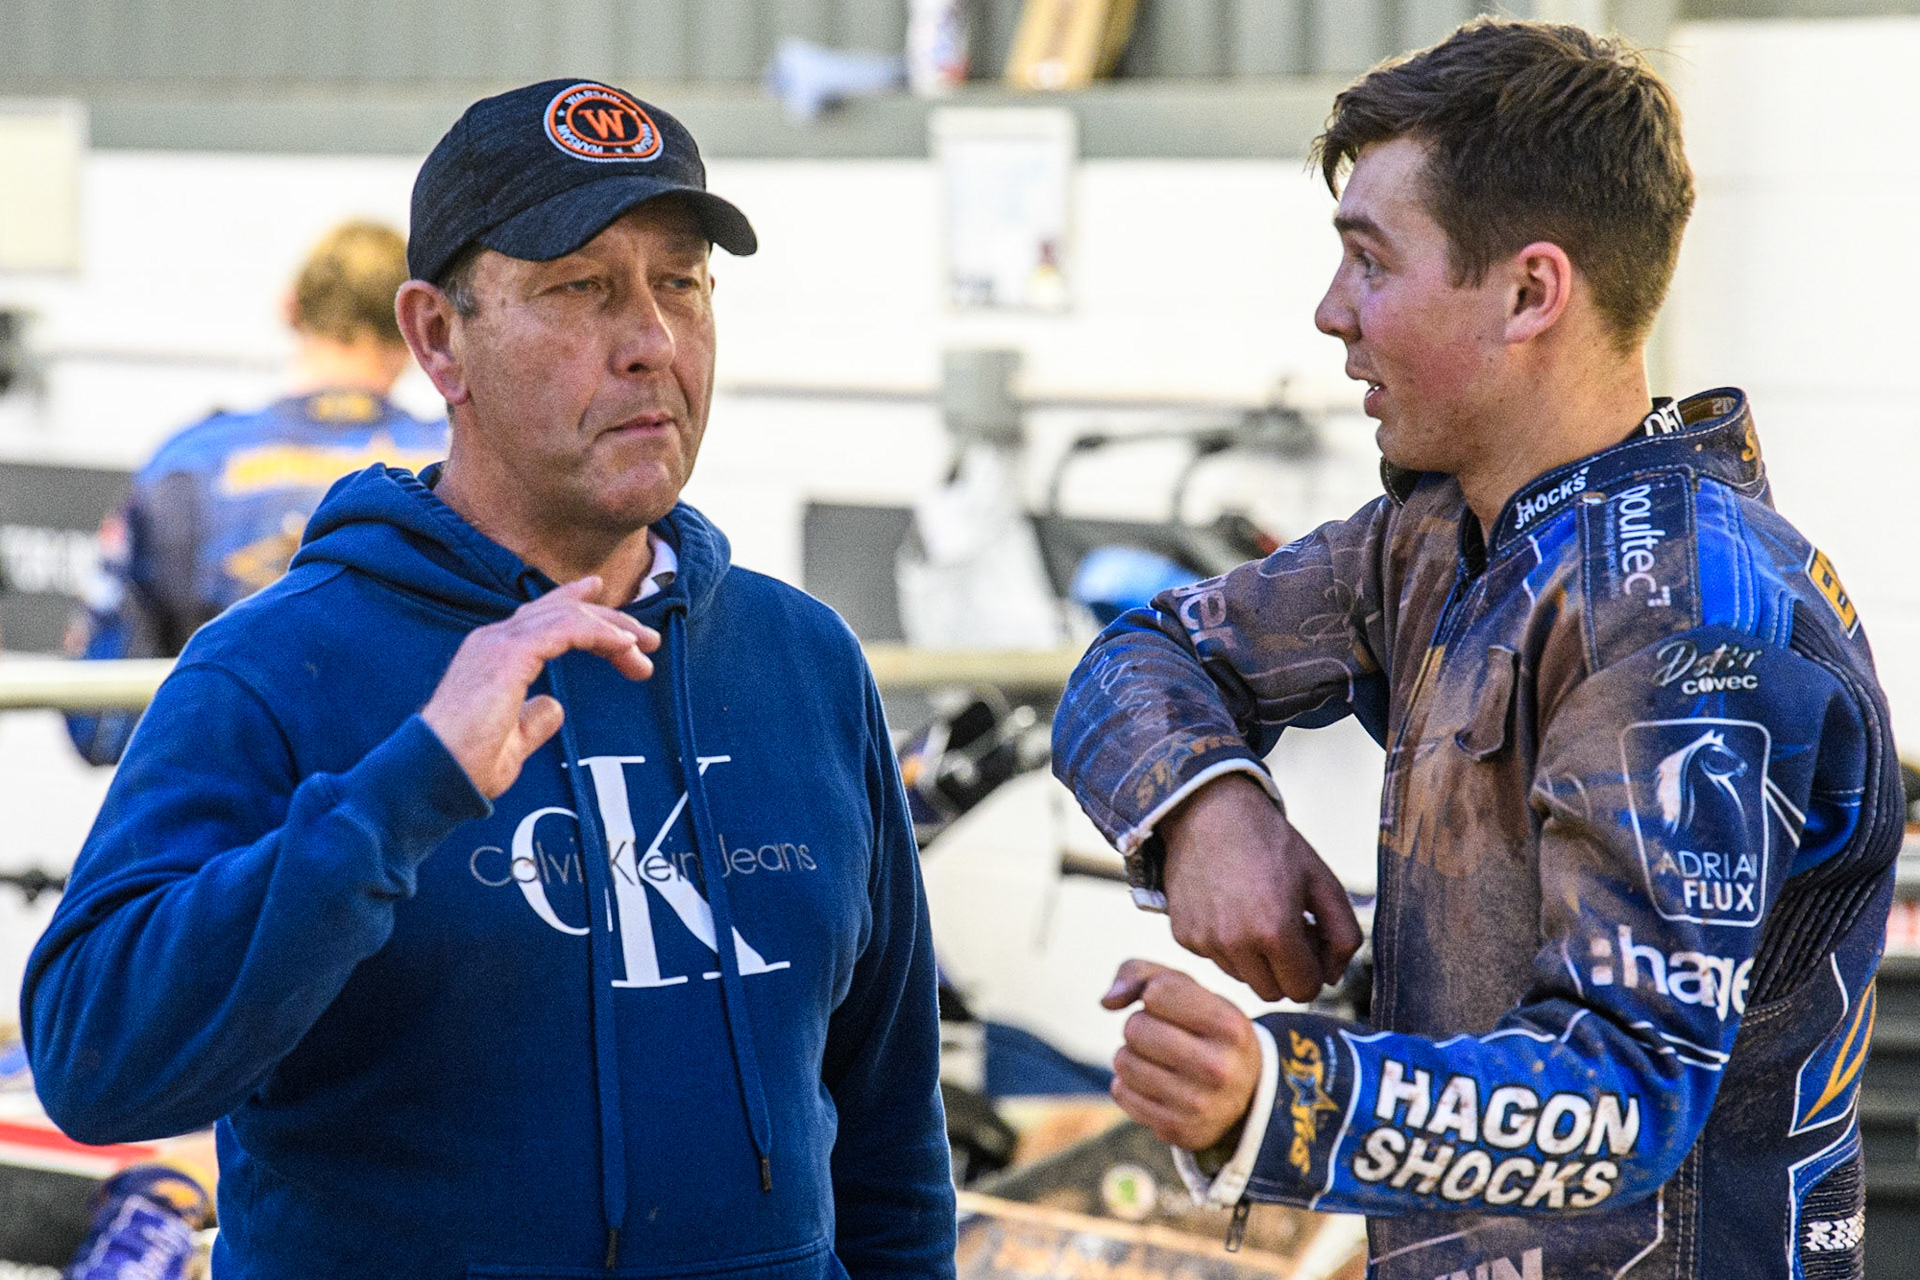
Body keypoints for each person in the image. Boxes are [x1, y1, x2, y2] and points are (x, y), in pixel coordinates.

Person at [23, 79, 954, 1279]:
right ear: (437, 337)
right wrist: (400, 792)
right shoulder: (274, 669)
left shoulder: (805, 660)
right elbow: (96, 1061)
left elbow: (890, 1135)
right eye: (581, 287)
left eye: (681, 283)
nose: (652, 340)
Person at [1054, 21, 1901, 1280]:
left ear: (1529, 293)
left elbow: (1620, 1093)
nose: (1331, 313)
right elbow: (1139, 656)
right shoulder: (1437, 539)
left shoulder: (1691, 616)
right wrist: (1206, 806)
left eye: (1369, 262)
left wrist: (1275, 1097)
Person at [64, 219, 445, 764]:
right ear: (413, 331)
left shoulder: (192, 463)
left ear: (289, 308)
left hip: (235, 814)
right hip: (424, 809)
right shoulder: (452, 462)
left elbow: (96, 721)